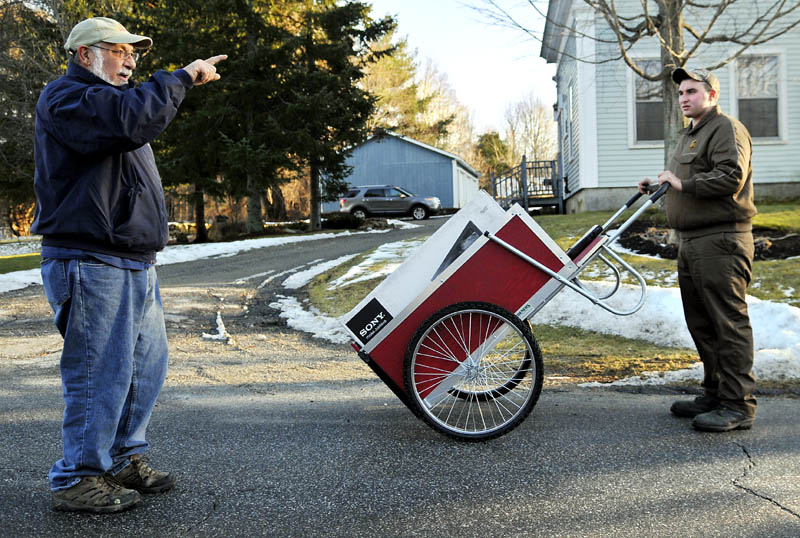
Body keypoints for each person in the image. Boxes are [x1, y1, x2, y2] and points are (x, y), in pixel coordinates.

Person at [32, 16, 226, 513]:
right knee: (101, 373)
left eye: (133, 52)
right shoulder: (68, 98)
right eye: (119, 51)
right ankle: (77, 477)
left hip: (132, 259)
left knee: (143, 369)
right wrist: (180, 78)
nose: (131, 60)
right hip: (91, 258)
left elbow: (134, 120)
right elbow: (131, 119)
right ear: (85, 55)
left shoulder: (110, 104)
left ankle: (122, 458)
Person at [639, 67, 757, 433]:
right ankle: (716, 393)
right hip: (692, 243)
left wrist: (682, 183)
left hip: (720, 240)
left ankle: (738, 405)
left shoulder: (725, 128)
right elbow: (685, 182)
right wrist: (659, 185)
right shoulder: (691, 134)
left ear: (712, 95)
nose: (684, 97)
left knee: (727, 323)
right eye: (681, 93)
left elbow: (730, 176)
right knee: (702, 324)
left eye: (692, 91)